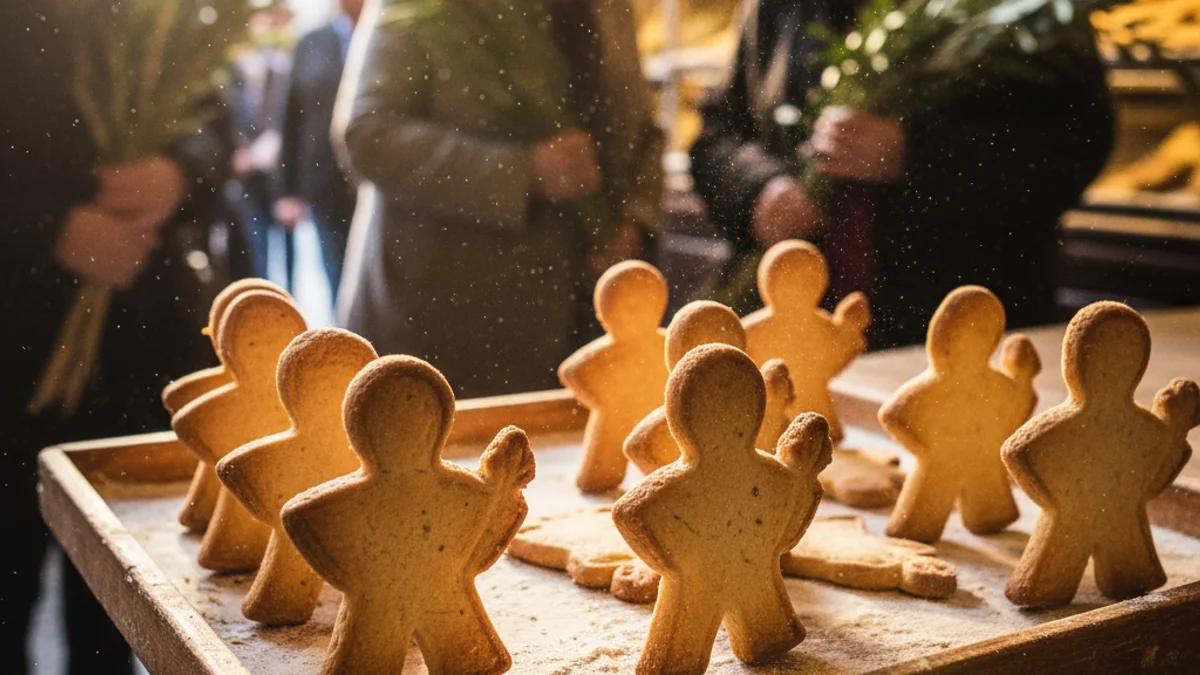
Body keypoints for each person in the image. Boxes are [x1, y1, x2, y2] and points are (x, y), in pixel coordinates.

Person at [0, 2, 232, 672]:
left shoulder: (156, 10)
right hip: (14, 347)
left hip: (136, 345)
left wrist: (178, 176)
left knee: (117, 598)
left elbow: (214, 126)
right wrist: (49, 231)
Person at [689, 0, 1114, 349]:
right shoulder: (779, 7)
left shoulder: (1027, 10)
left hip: (961, 331)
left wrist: (915, 150)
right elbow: (718, 133)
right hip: (791, 326)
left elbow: (1078, 143)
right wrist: (759, 192)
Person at [335, 0, 663, 397]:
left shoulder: (611, 7)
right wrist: (526, 171)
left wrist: (633, 221)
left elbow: (639, 124)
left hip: (588, 318)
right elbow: (368, 135)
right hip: (449, 328)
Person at [275, 0, 364, 302]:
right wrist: (288, 191)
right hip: (325, 184)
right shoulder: (311, 43)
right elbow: (291, 120)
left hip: (380, 183)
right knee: (338, 279)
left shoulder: (391, 36)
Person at [228, 3, 293, 285]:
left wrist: (255, 156)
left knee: (288, 252)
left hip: (279, 176)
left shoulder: (290, 65)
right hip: (245, 180)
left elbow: (290, 124)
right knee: (254, 247)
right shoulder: (238, 69)